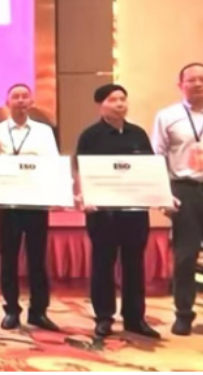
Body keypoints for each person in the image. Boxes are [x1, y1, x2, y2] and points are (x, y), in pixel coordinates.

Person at [75, 84, 160, 339]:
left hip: (134, 211)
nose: (120, 104)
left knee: (134, 264)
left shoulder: (138, 134)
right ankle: (104, 317)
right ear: (100, 105)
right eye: (113, 100)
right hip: (103, 213)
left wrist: (159, 196)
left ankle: (135, 318)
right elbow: (81, 170)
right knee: (103, 263)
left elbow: (149, 170)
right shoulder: (90, 136)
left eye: (123, 99)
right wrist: (84, 197)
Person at [0, 84, 60, 331]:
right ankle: (11, 310)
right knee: (9, 258)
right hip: (8, 203)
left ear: (32, 102)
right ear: (7, 102)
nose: (21, 100)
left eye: (25, 96)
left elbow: (52, 164)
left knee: (37, 258)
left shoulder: (44, 131)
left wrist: (55, 193)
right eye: (15, 97)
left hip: (36, 202)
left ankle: (38, 311)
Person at [151, 62, 203, 336]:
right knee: (185, 255)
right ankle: (183, 313)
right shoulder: (168, 116)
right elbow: (157, 156)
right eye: (191, 80)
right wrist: (164, 194)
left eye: (202, 79)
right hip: (185, 189)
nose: (198, 84)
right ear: (180, 85)